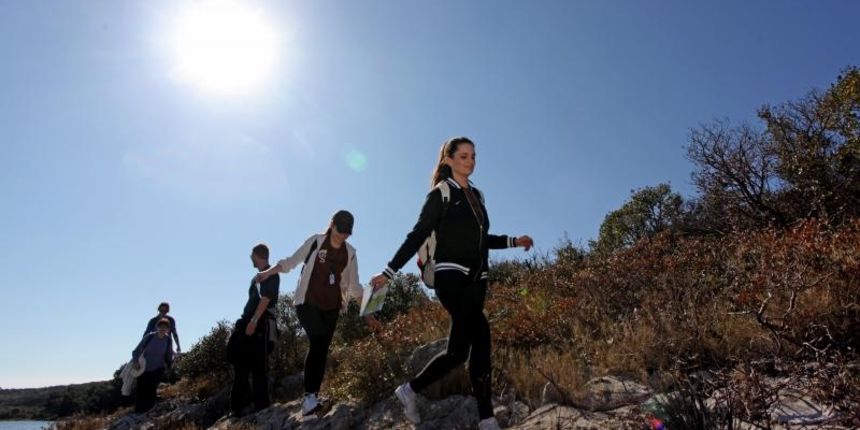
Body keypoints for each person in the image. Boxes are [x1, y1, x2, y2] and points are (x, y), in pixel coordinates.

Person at [370, 136, 534, 430]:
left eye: (473, 156)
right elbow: (418, 234)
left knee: (458, 352)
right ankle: (486, 419)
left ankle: (410, 390)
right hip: (449, 276)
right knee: (481, 334)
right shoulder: (442, 193)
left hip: (476, 280)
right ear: (448, 160)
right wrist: (389, 272)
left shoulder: (478, 196)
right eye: (463, 156)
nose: (470, 161)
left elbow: (482, 239)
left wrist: (513, 241)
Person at [256, 210, 366, 417]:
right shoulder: (316, 242)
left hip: (332, 307)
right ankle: (308, 399)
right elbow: (290, 262)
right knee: (316, 341)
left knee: (322, 349)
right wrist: (268, 272)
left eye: (347, 233)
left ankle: (313, 396)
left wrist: (368, 312)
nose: (342, 236)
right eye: (340, 230)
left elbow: (354, 287)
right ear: (332, 225)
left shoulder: (350, 253)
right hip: (308, 302)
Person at [229, 243, 281, 416]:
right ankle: (236, 409)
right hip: (248, 323)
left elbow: (266, 298)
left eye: (251, 255)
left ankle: (262, 409)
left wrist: (253, 320)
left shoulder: (271, 273)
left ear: (257, 255)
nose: (250, 258)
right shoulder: (255, 278)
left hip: (260, 324)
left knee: (259, 369)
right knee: (241, 366)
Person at [131, 318, 175, 413]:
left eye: (165, 327)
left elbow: (169, 354)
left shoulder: (168, 340)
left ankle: (148, 412)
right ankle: (138, 413)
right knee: (141, 391)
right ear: (157, 327)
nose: (162, 329)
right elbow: (136, 351)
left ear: (168, 329)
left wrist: (170, 366)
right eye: (161, 326)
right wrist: (135, 362)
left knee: (151, 391)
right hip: (143, 368)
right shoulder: (149, 337)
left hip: (158, 369)